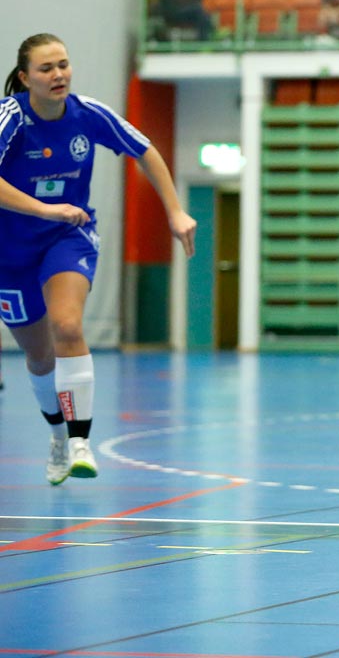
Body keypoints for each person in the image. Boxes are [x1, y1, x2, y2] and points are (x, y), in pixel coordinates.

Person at [0, 34, 196, 484]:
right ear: (26, 77)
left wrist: (175, 210)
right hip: (10, 250)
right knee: (38, 356)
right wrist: (44, 207)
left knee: (67, 325)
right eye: (47, 68)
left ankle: (79, 442)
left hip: (68, 237)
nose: (59, 75)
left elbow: (144, 150)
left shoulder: (88, 114)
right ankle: (55, 435)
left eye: (64, 65)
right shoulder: (11, 117)